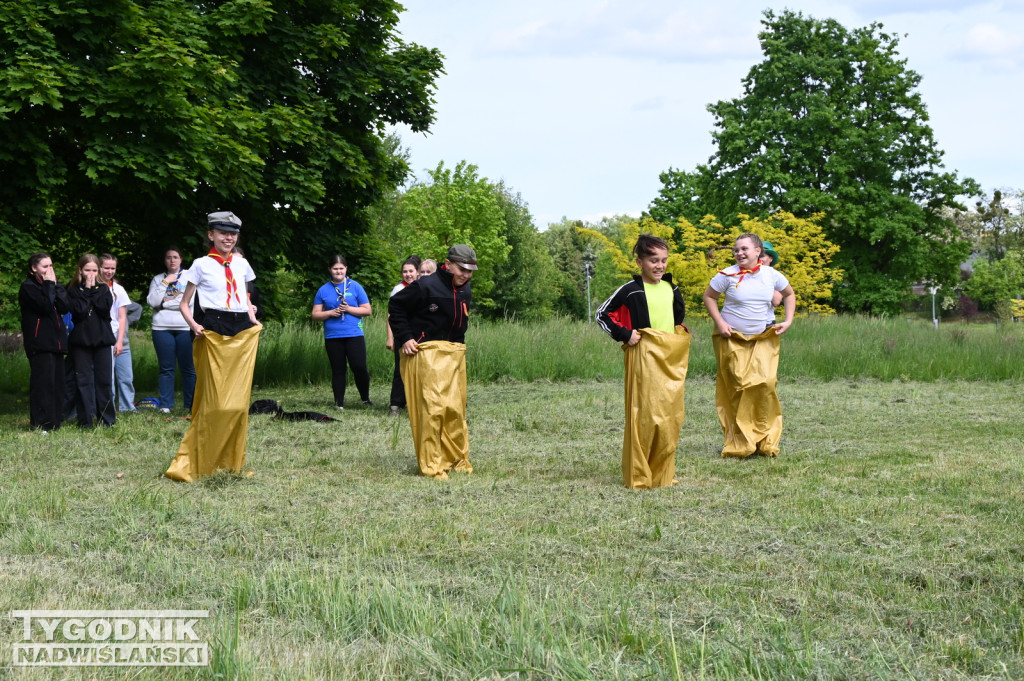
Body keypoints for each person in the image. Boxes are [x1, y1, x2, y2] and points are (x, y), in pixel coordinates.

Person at [165, 211, 262, 482]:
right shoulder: (200, 264)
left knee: (238, 405)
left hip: (241, 328)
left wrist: (253, 318)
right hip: (212, 327)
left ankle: (230, 461)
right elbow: (184, 303)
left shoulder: (242, 265)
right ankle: (201, 460)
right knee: (215, 402)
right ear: (211, 235)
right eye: (223, 233)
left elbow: (244, 296)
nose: (228, 238)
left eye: (233, 233)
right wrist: (194, 325)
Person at [596, 234, 690, 489]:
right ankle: (639, 474)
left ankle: (663, 474)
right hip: (644, 359)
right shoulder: (631, 290)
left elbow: (676, 318)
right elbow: (602, 314)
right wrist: (625, 334)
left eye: (663, 260)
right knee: (645, 415)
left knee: (670, 415)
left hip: (669, 358)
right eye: (653, 261)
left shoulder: (672, 288)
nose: (659, 266)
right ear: (639, 263)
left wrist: (680, 330)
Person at [702, 233, 795, 458]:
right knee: (737, 386)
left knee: (766, 383)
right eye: (736, 250)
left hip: (763, 338)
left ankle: (764, 438)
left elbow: (789, 294)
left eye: (744, 249)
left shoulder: (771, 275)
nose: (739, 253)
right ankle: (739, 440)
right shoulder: (727, 275)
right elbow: (709, 297)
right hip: (732, 338)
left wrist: (788, 320)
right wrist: (720, 322)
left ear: (757, 252)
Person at [388, 245, 476, 479]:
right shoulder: (426, 286)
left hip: (454, 356)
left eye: (470, 270)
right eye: (462, 269)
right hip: (426, 356)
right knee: (433, 411)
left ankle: (456, 459)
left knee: (455, 411)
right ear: (448, 265)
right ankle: (431, 465)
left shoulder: (466, 291)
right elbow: (396, 306)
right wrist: (405, 337)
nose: (466, 275)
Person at [311, 254, 373, 409]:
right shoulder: (323, 290)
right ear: (329, 269)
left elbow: (367, 310)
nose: (338, 272)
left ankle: (365, 398)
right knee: (338, 369)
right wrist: (330, 313)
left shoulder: (356, 286)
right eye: (335, 269)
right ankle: (339, 403)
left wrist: (349, 309)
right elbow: (315, 315)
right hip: (333, 336)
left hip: (354, 334)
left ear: (346, 269)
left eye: (341, 268)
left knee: (359, 367)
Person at [19, 252, 70, 432]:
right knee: (43, 385)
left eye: (51, 266)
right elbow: (45, 306)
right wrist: (49, 285)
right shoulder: (28, 287)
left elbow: (64, 307)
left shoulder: (51, 285)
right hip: (39, 343)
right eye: (45, 266)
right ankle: (40, 424)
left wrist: (56, 286)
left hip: (56, 342)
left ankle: (54, 423)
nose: (49, 270)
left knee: (57, 384)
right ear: (34, 268)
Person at [66, 253, 117, 428]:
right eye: (87, 270)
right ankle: (85, 421)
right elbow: (79, 312)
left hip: (102, 340)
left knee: (104, 381)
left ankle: (106, 420)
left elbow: (104, 309)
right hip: (81, 341)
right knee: (83, 381)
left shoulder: (104, 289)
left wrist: (93, 289)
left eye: (94, 270)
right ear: (80, 270)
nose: (91, 274)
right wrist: (86, 290)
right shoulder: (72, 290)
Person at [147, 246, 197, 413]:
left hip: (185, 326)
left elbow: (189, 302)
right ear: (165, 260)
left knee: (188, 368)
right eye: (168, 257)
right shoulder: (157, 279)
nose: (172, 260)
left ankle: (191, 404)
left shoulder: (190, 276)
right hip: (161, 328)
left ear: (181, 259)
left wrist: (165, 303)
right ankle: (166, 405)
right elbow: (153, 301)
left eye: (175, 257)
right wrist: (166, 282)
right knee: (166, 368)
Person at [386, 255, 422, 416]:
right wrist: (391, 337)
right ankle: (396, 405)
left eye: (411, 271)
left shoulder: (425, 287)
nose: (408, 274)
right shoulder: (398, 289)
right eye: (405, 271)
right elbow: (390, 316)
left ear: (418, 272)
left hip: (420, 334)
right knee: (401, 370)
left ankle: (420, 403)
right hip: (402, 334)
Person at [99, 254, 136, 412]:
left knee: (126, 378)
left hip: (121, 339)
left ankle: (128, 408)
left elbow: (122, 318)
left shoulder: (119, 289)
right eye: (106, 267)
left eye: (112, 268)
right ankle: (109, 409)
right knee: (108, 378)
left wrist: (120, 342)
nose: (109, 271)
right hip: (104, 338)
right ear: (99, 267)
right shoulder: (94, 288)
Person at [759, 240, 783, 323]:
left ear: (770, 259)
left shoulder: (775, 276)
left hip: (766, 322)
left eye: (762, 256)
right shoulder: (745, 274)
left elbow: (776, 301)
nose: (759, 259)